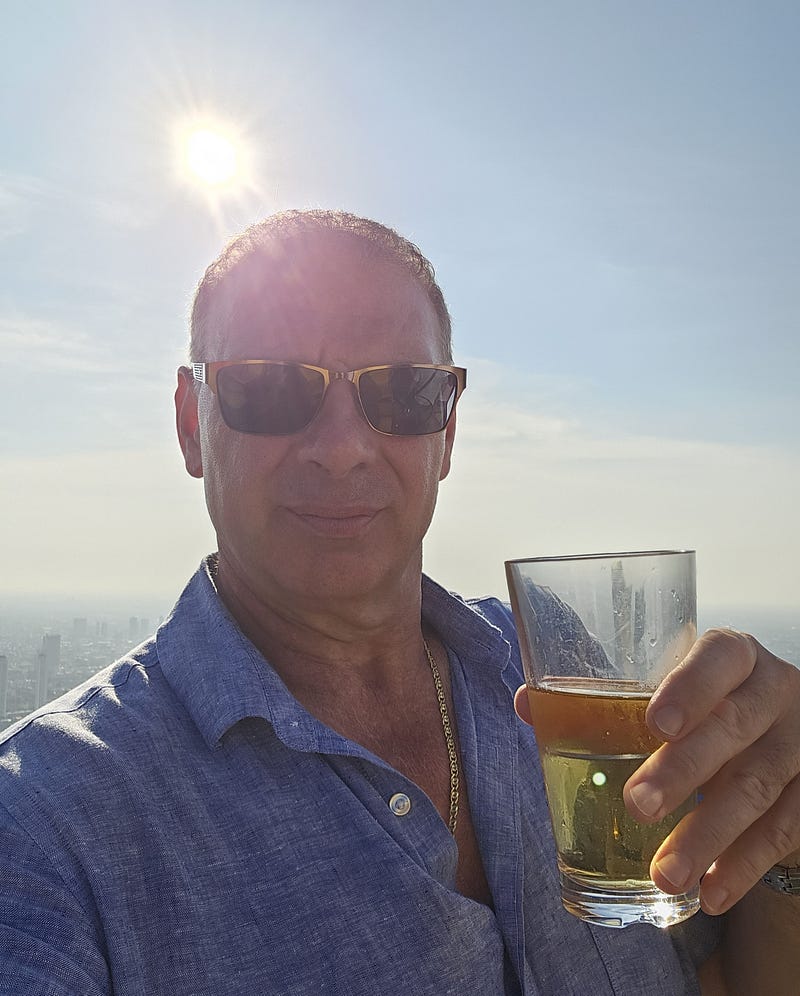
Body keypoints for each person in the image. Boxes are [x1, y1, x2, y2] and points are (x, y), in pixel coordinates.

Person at [0, 210, 798, 995]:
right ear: (188, 423)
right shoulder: (48, 817)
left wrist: (785, 842)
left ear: (446, 431)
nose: (343, 447)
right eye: (273, 389)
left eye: (404, 394)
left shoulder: (553, 654)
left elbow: (722, 970)